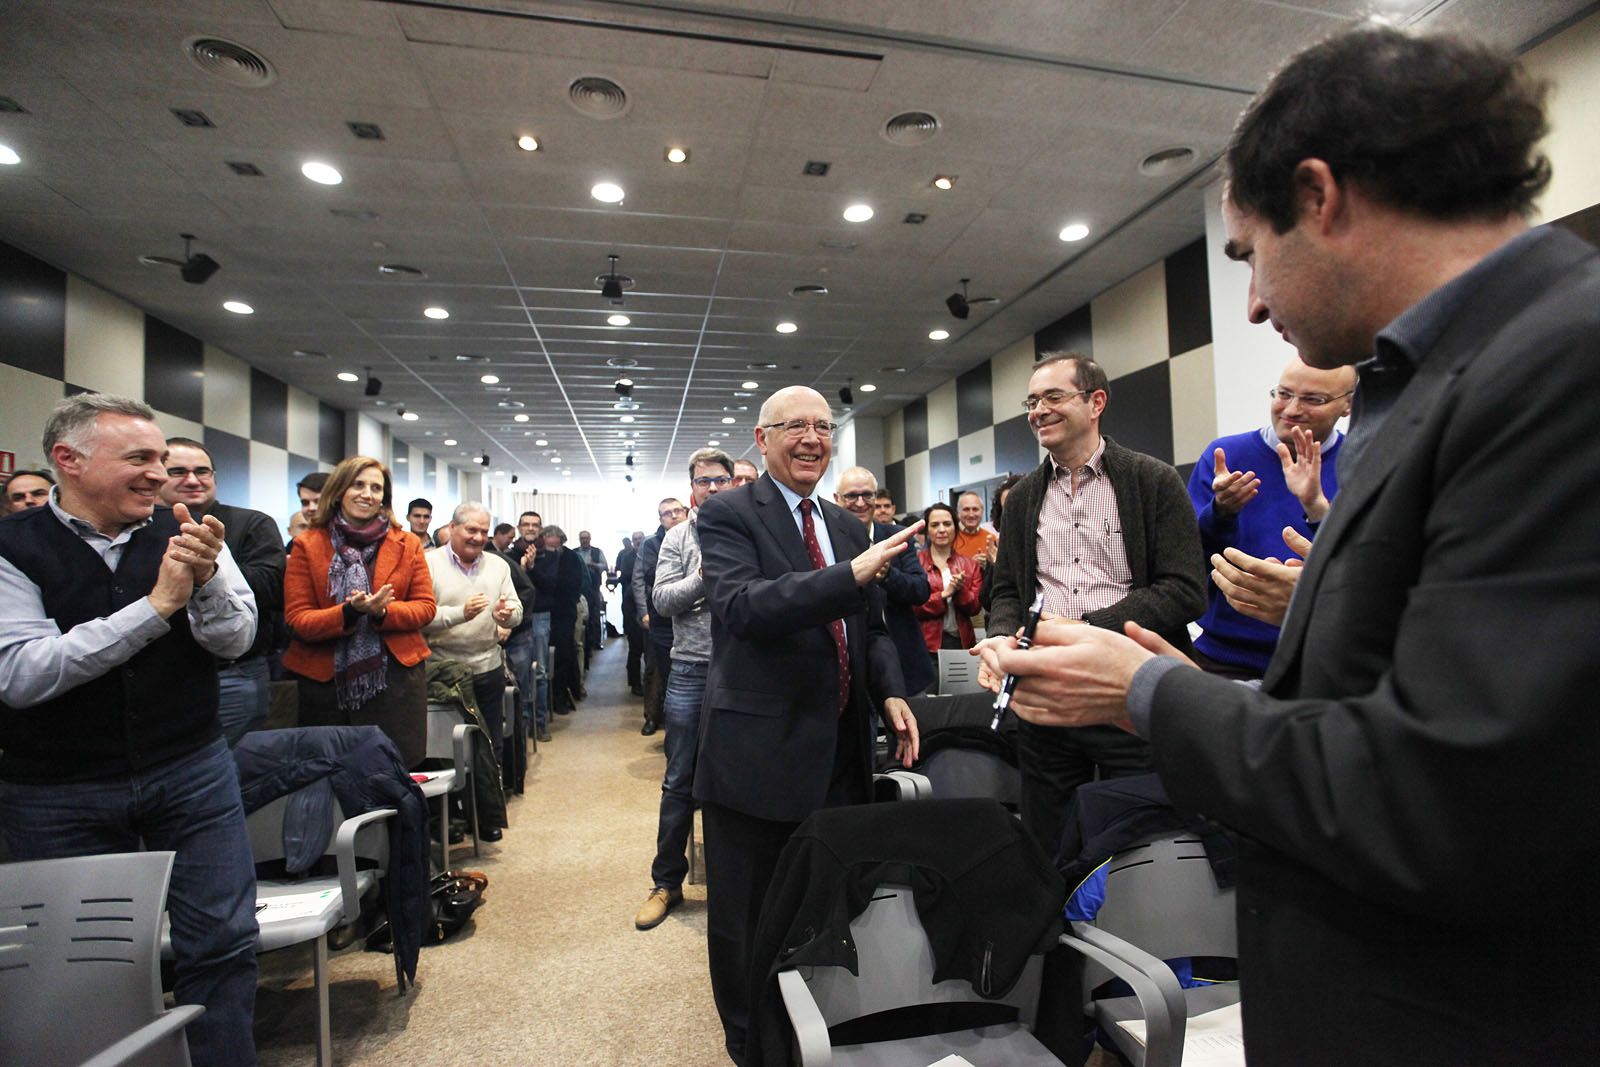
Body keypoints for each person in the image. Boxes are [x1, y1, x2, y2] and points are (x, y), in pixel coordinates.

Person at [978, 26, 1599, 1064]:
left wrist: (1146, 692)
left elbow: (1446, 800)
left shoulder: (1556, 368)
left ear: (1321, 197)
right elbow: (1405, 702)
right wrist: (1210, 690)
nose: (1255, 301)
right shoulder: (1460, 376)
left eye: (1247, 255)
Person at [0, 393, 260, 1066]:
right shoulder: (11, 550)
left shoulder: (186, 532)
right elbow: (24, 673)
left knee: (224, 942)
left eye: (162, 459)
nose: (160, 474)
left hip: (191, 769)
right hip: (56, 790)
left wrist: (201, 584)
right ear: (70, 461)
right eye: (139, 458)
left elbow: (235, 641)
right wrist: (157, 606)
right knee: (70, 968)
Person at [695, 385, 922, 1064]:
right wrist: (847, 575)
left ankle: (823, 1029)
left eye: (823, 426)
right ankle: (751, 1045)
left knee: (828, 906)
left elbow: (872, 624)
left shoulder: (847, 524)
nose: (812, 437)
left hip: (842, 752)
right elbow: (744, 606)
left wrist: (890, 693)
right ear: (761, 440)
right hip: (758, 756)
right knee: (748, 919)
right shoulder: (730, 513)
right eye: (795, 425)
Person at [977, 352, 1206, 851]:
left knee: (1145, 841)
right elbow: (1009, 591)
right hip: (1046, 699)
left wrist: (1081, 629)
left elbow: (1185, 589)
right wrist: (1000, 637)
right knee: (1049, 843)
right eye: (1032, 401)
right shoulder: (1022, 499)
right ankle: (1052, 926)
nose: (1038, 410)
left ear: (1096, 401)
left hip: (1128, 690)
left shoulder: (1154, 481)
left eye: (1053, 397)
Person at [1187, 359, 1356, 679]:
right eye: (1283, 394)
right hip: (1224, 657)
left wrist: (1317, 508)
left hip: (1320, 657)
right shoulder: (1226, 455)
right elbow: (1189, 558)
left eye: (1313, 399)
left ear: (1347, 405)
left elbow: (1364, 565)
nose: (1291, 409)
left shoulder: (1360, 461)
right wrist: (1221, 511)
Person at [634, 448, 734, 931]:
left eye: (720, 480)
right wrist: (702, 579)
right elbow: (662, 599)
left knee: (737, 779)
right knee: (678, 781)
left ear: (733, 484)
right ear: (691, 487)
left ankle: (734, 880)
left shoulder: (749, 531)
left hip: (744, 671)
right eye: (703, 481)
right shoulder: (677, 536)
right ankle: (667, 882)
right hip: (691, 669)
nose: (712, 488)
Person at [282, 455, 436, 766]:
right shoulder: (307, 544)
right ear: (339, 490)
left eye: (376, 488)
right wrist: (348, 613)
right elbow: (298, 619)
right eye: (359, 485)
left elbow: (425, 607)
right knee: (332, 775)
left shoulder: (406, 544)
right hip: (325, 686)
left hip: (395, 683)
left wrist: (382, 612)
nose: (368, 494)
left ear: (384, 498)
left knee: (393, 774)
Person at [159, 437, 286, 745]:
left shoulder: (251, 523)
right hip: (162, 674)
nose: (192, 479)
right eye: (178, 471)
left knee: (234, 770)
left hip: (233, 674)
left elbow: (269, 588)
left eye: (202, 471)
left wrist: (206, 574)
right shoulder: (139, 527)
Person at [424, 502, 520, 840]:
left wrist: (509, 616)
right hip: (441, 673)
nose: (478, 537)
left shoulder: (497, 565)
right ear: (452, 528)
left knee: (488, 745)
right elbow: (419, 616)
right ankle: (446, 822)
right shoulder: (428, 564)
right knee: (441, 751)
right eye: (471, 530)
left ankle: (484, 818)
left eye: (484, 532)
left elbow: (515, 605)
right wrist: (458, 614)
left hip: (487, 668)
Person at [834, 465, 934, 696]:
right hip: (851, 666)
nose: (860, 503)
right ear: (837, 499)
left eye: (867, 495)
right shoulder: (827, 541)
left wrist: (888, 575)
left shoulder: (897, 537)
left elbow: (921, 590)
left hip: (904, 662)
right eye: (851, 496)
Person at [632, 499, 686, 735]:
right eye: (667, 513)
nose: (673, 516)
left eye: (678, 511)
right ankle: (652, 717)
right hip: (659, 616)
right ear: (660, 518)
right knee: (654, 669)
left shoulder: (698, 536)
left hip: (689, 617)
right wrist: (643, 611)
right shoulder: (651, 544)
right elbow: (639, 579)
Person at [913, 501, 983, 658]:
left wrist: (960, 590)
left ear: (955, 528)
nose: (942, 530)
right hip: (926, 643)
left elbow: (975, 608)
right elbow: (912, 607)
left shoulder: (970, 565)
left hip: (961, 642)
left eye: (947, 524)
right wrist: (944, 594)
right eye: (935, 525)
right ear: (927, 530)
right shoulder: (915, 563)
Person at [510, 510, 552, 731]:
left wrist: (532, 569)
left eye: (535, 525)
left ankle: (540, 722)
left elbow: (550, 587)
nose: (530, 528)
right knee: (520, 672)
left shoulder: (549, 555)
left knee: (541, 671)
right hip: (517, 619)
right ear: (519, 527)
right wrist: (522, 569)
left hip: (540, 617)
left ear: (540, 528)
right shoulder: (509, 555)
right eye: (526, 524)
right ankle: (523, 725)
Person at [537, 524, 586, 713]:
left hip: (563, 613)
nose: (551, 548)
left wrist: (546, 582)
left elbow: (571, 584)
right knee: (543, 660)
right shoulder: (539, 556)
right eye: (548, 543)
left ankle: (560, 697)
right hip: (543, 613)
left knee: (563, 656)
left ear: (560, 541)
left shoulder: (570, 557)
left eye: (555, 544)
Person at [616, 530, 645, 696]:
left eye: (641, 539)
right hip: (630, 605)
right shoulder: (627, 556)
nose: (638, 541)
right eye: (636, 539)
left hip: (647, 606)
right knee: (635, 648)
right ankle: (635, 683)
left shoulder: (650, 553)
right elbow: (625, 575)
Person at [574, 530, 608, 653]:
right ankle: (584, 643)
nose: (584, 540)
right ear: (579, 539)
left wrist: (593, 564)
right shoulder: (574, 552)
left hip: (594, 588)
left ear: (590, 538)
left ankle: (596, 642)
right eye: (582, 538)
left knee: (594, 615)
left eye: (586, 538)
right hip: (578, 590)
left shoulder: (597, 552)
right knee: (580, 617)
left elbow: (605, 566)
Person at [950, 490, 995, 561]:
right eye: (966, 509)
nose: (971, 514)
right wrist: (970, 565)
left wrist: (989, 566)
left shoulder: (991, 540)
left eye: (975, 509)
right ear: (958, 512)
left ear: (982, 511)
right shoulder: (948, 538)